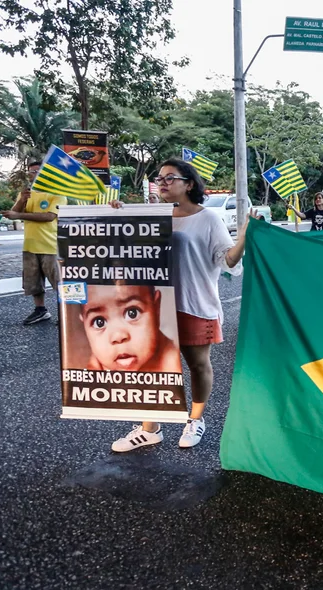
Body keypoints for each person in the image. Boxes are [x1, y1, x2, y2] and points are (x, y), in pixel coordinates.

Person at [109, 158, 258, 452]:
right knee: (152, 368)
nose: (162, 183)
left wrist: (243, 239)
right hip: (153, 307)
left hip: (194, 303)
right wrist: (112, 215)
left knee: (197, 365)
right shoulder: (154, 215)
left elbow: (226, 260)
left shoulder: (208, 218)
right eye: (159, 178)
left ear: (189, 184)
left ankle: (196, 419)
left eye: (170, 178)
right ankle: (150, 428)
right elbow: (127, 245)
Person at [0, 160, 67, 325]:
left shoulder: (57, 193)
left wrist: (20, 216)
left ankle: (66, 313)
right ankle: (40, 310)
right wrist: (22, 200)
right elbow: (13, 213)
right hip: (30, 245)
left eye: (38, 171)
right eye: (31, 172)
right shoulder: (27, 193)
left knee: (60, 282)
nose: (34, 174)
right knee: (33, 282)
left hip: (51, 246)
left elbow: (49, 216)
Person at [79, 284, 181, 373]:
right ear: (84, 324)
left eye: (132, 313)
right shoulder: (94, 371)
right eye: (99, 322)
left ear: (156, 309)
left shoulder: (172, 363)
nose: (118, 336)